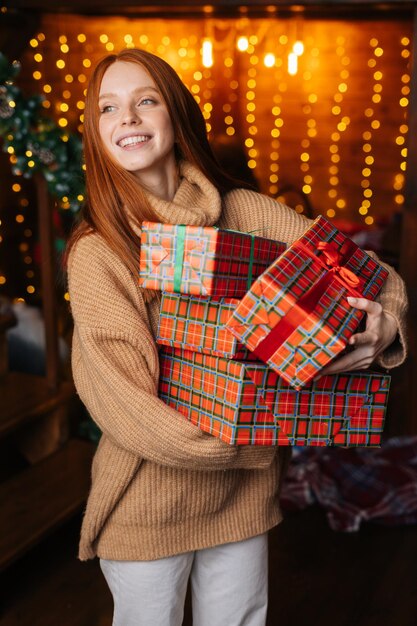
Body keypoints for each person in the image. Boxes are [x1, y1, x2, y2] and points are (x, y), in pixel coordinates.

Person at [66, 48, 408, 626]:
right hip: (148, 505)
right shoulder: (99, 251)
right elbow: (124, 406)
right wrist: (257, 433)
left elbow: (370, 271)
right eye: (108, 108)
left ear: (173, 114)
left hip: (243, 504)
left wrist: (384, 322)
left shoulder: (243, 210)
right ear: (97, 135)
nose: (128, 118)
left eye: (145, 100)